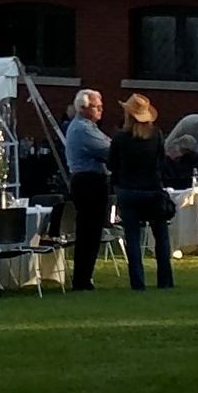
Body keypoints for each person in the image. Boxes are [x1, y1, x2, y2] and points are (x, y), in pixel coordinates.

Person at [108, 94, 173, 290]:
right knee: (161, 237)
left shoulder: (120, 138)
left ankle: (138, 282)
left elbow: (112, 164)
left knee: (133, 238)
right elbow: (162, 162)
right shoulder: (157, 135)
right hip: (153, 190)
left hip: (129, 191)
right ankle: (165, 280)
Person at [63, 88, 111, 291]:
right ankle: (82, 279)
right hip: (88, 182)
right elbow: (109, 150)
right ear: (84, 108)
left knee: (91, 232)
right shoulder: (84, 129)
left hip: (90, 181)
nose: (101, 109)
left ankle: (85, 276)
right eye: (97, 106)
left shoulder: (89, 127)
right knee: (88, 232)